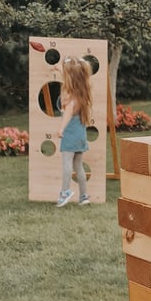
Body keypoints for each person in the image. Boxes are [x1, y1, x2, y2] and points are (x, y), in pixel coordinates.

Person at [56, 56, 92, 207]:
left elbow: (67, 115)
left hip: (70, 134)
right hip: (81, 135)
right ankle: (84, 196)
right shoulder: (82, 96)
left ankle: (65, 191)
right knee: (79, 166)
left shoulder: (71, 101)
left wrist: (60, 129)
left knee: (66, 164)